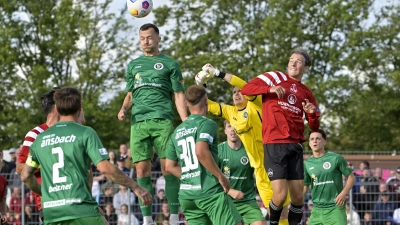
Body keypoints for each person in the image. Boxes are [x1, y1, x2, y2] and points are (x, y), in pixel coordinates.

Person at [21, 87, 152, 225]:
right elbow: (105, 168)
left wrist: (44, 193)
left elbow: (25, 176)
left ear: (57, 108)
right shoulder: (85, 133)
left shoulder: (40, 139)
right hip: (80, 207)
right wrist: (136, 187)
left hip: (51, 211)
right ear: (79, 107)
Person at [195, 63, 291, 225]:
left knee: (283, 212)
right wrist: (201, 83)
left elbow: (244, 86)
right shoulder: (230, 112)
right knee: (273, 213)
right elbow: (206, 103)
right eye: (234, 93)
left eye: (240, 92)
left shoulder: (256, 104)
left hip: (275, 161)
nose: (237, 93)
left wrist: (218, 73)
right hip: (259, 170)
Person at [238, 49, 320, 225]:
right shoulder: (274, 77)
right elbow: (246, 89)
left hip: (295, 145)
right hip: (275, 144)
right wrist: (270, 89)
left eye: (298, 61)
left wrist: (311, 115)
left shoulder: (307, 92)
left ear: (305, 67)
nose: (293, 63)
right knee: (281, 195)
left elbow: (315, 127)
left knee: (298, 198)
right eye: (291, 60)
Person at [117, 23, 187, 225]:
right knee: (141, 172)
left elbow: (178, 94)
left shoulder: (170, 64)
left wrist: (185, 121)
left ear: (158, 39)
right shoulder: (133, 65)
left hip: (162, 120)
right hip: (138, 123)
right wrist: (123, 109)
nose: (145, 41)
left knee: (169, 168)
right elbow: (130, 94)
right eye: (142, 38)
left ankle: (174, 217)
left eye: (149, 37)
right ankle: (147, 219)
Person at [165, 85, 242, 225]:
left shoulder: (176, 132)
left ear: (186, 104)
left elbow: (169, 166)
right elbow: (200, 151)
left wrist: (191, 177)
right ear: (206, 101)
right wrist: (221, 177)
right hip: (209, 192)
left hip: (187, 195)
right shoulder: (207, 124)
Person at [218, 120, 266, 225]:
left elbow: (261, 172)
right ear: (225, 130)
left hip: (248, 200)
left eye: (235, 126)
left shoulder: (250, 149)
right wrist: (229, 191)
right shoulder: (218, 151)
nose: (233, 130)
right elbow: (211, 179)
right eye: (229, 126)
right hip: (226, 201)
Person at [303, 129, 356, 225]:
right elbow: (305, 186)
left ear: (324, 142)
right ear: (309, 143)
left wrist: (344, 193)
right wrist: (294, 203)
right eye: (312, 139)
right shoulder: (307, 164)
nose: (315, 141)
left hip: (335, 208)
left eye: (318, 138)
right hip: (317, 210)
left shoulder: (336, 158)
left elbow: (351, 177)